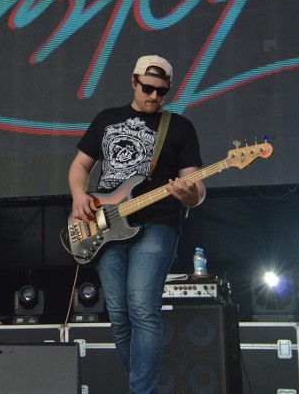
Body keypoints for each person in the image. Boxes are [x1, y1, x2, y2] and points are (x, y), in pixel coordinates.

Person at [68, 55, 206, 394]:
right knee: (119, 316)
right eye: (148, 88)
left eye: (162, 91)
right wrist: (77, 195)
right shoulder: (106, 119)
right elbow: (80, 167)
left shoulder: (180, 127)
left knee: (143, 307)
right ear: (134, 81)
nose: (155, 97)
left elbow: (196, 190)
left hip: (157, 222)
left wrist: (189, 194)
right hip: (104, 223)